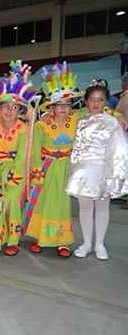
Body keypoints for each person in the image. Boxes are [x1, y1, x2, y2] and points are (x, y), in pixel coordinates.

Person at [0, 60, 37, 256]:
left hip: (14, 171)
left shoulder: (23, 129)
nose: (9, 111)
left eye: (14, 108)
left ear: (20, 110)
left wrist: (15, 173)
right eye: (5, 107)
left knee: (11, 202)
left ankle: (12, 239)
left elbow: (23, 155)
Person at [66, 83, 128, 260]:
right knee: (85, 207)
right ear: (86, 101)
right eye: (92, 99)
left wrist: (117, 173)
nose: (96, 103)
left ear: (106, 102)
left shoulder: (112, 122)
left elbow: (120, 149)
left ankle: (99, 244)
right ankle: (86, 243)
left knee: (102, 206)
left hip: (103, 169)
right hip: (82, 171)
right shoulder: (78, 120)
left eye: (100, 100)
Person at [25, 62, 81, 258]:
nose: (64, 108)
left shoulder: (76, 120)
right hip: (47, 168)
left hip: (66, 168)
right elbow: (34, 150)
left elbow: (96, 113)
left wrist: (116, 115)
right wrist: (37, 172)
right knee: (45, 203)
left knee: (63, 205)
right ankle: (42, 237)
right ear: (52, 106)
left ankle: (62, 241)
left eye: (67, 104)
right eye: (60, 105)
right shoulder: (42, 125)